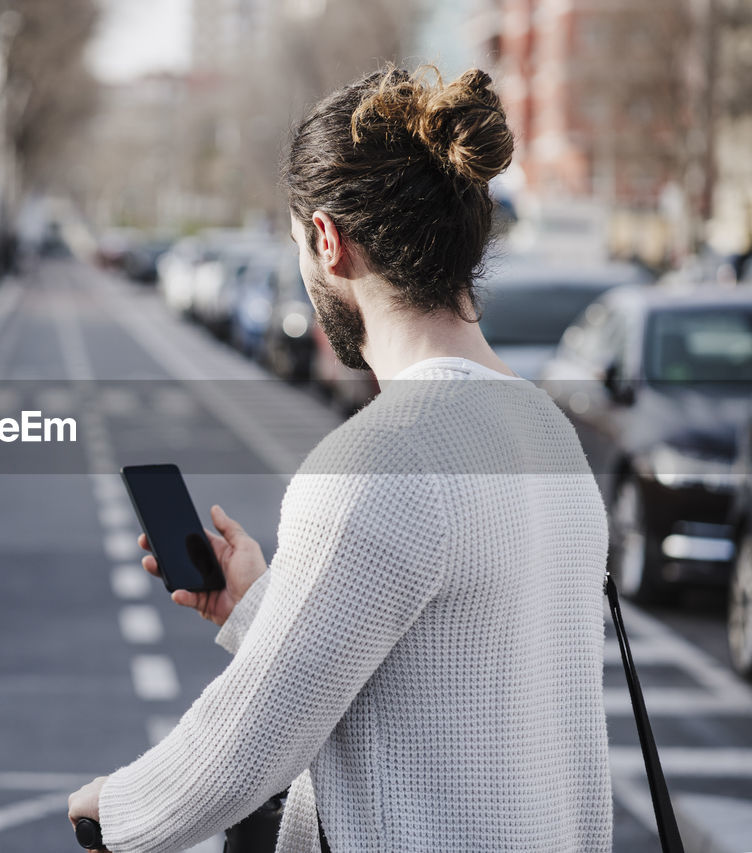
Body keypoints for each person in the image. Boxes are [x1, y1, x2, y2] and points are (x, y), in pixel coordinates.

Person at [68, 65, 613, 852]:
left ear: (328, 241)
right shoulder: (548, 435)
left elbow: (244, 748)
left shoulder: (381, 459)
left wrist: (106, 810)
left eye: (297, 245)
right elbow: (448, 689)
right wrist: (263, 607)